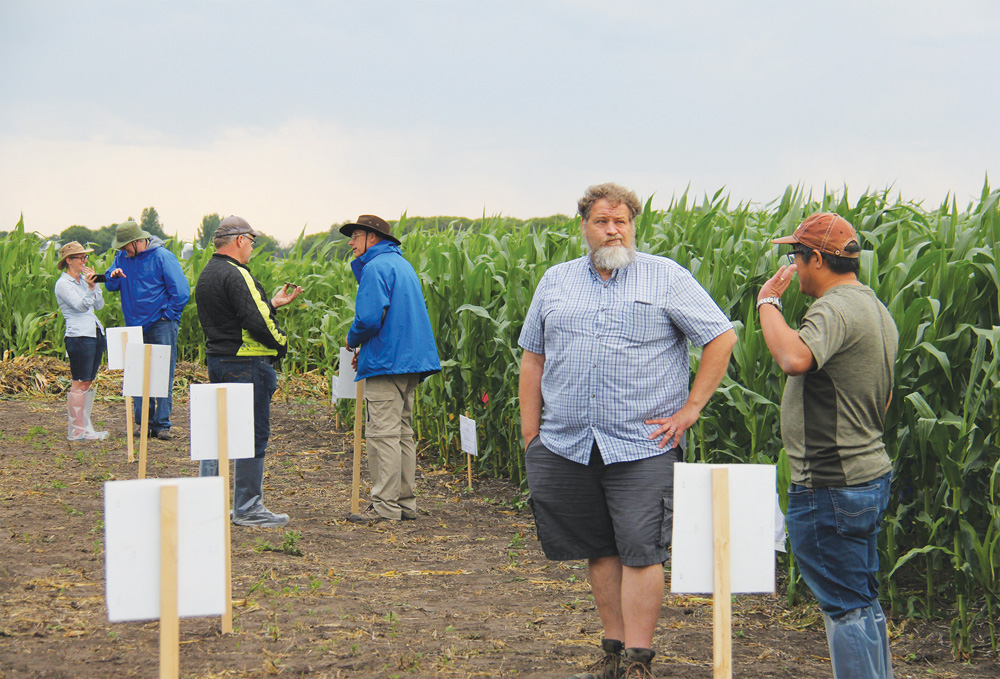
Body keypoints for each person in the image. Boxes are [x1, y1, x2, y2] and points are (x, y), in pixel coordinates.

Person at [518, 183, 737, 678]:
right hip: (568, 441)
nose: (612, 229)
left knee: (641, 550)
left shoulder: (665, 278)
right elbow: (533, 357)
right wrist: (532, 433)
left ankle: (639, 659)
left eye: (621, 221)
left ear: (633, 226)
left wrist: (690, 410)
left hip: (643, 443)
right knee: (598, 548)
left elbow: (721, 336)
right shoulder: (556, 281)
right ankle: (611, 653)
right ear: (584, 227)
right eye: (601, 221)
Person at [757, 212, 897, 679]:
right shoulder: (876, 309)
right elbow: (885, 395)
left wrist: (768, 304)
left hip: (830, 486)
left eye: (797, 256)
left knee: (845, 610)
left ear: (817, 258)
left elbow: (795, 357)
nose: (793, 266)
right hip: (866, 475)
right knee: (860, 601)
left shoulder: (834, 308)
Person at [195, 216, 302, 527]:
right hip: (247, 364)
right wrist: (282, 344)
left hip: (219, 360)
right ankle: (248, 507)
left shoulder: (208, 273)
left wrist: (272, 304)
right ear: (240, 240)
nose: (252, 248)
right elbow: (256, 322)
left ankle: (208, 504)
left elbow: (238, 314)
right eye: (252, 242)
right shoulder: (237, 273)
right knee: (253, 434)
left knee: (218, 435)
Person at [340, 215, 441, 524]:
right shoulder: (402, 265)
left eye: (356, 235)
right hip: (410, 362)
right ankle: (405, 504)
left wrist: (352, 339)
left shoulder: (374, 268)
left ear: (373, 238)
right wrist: (368, 350)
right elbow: (396, 319)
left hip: (388, 363)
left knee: (382, 435)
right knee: (402, 434)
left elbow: (370, 319)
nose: (351, 242)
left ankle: (385, 508)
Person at [104, 220, 190, 440]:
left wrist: (167, 315)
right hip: (134, 325)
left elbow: (181, 292)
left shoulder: (162, 257)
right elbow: (111, 284)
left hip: (161, 323)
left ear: (137, 241)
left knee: (162, 372)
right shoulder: (121, 259)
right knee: (138, 374)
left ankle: (162, 424)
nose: (122, 250)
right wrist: (113, 277)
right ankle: (144, 423)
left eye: (125, 245)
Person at [54, 241, 109, 441]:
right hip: (78, 336)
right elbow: (80, 306)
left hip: (94, 333)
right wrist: (90, 287)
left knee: (87, 382)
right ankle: (77, 429)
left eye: (86, 258)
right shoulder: (63, 284)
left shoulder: (81, 282)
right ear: (69, 261)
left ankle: (84, 427)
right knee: (78, 382)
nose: (85, 261)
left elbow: (100, 305)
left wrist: (94, 286)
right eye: (81, 258)